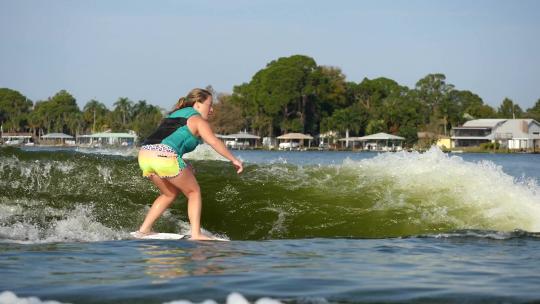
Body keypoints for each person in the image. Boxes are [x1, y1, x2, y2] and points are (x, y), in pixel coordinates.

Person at [135, 88, 243, 240]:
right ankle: (196, 234)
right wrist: (234, 159)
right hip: (163, 155)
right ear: (198, 104)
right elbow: (213, 141)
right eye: (209, 104)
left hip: (145, 154)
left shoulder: (174, 115)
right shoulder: (197, 119)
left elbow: (166, 141)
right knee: (194, 192)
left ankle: (144, 229)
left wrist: (183, 163)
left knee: (169, 193)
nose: (211, 110)